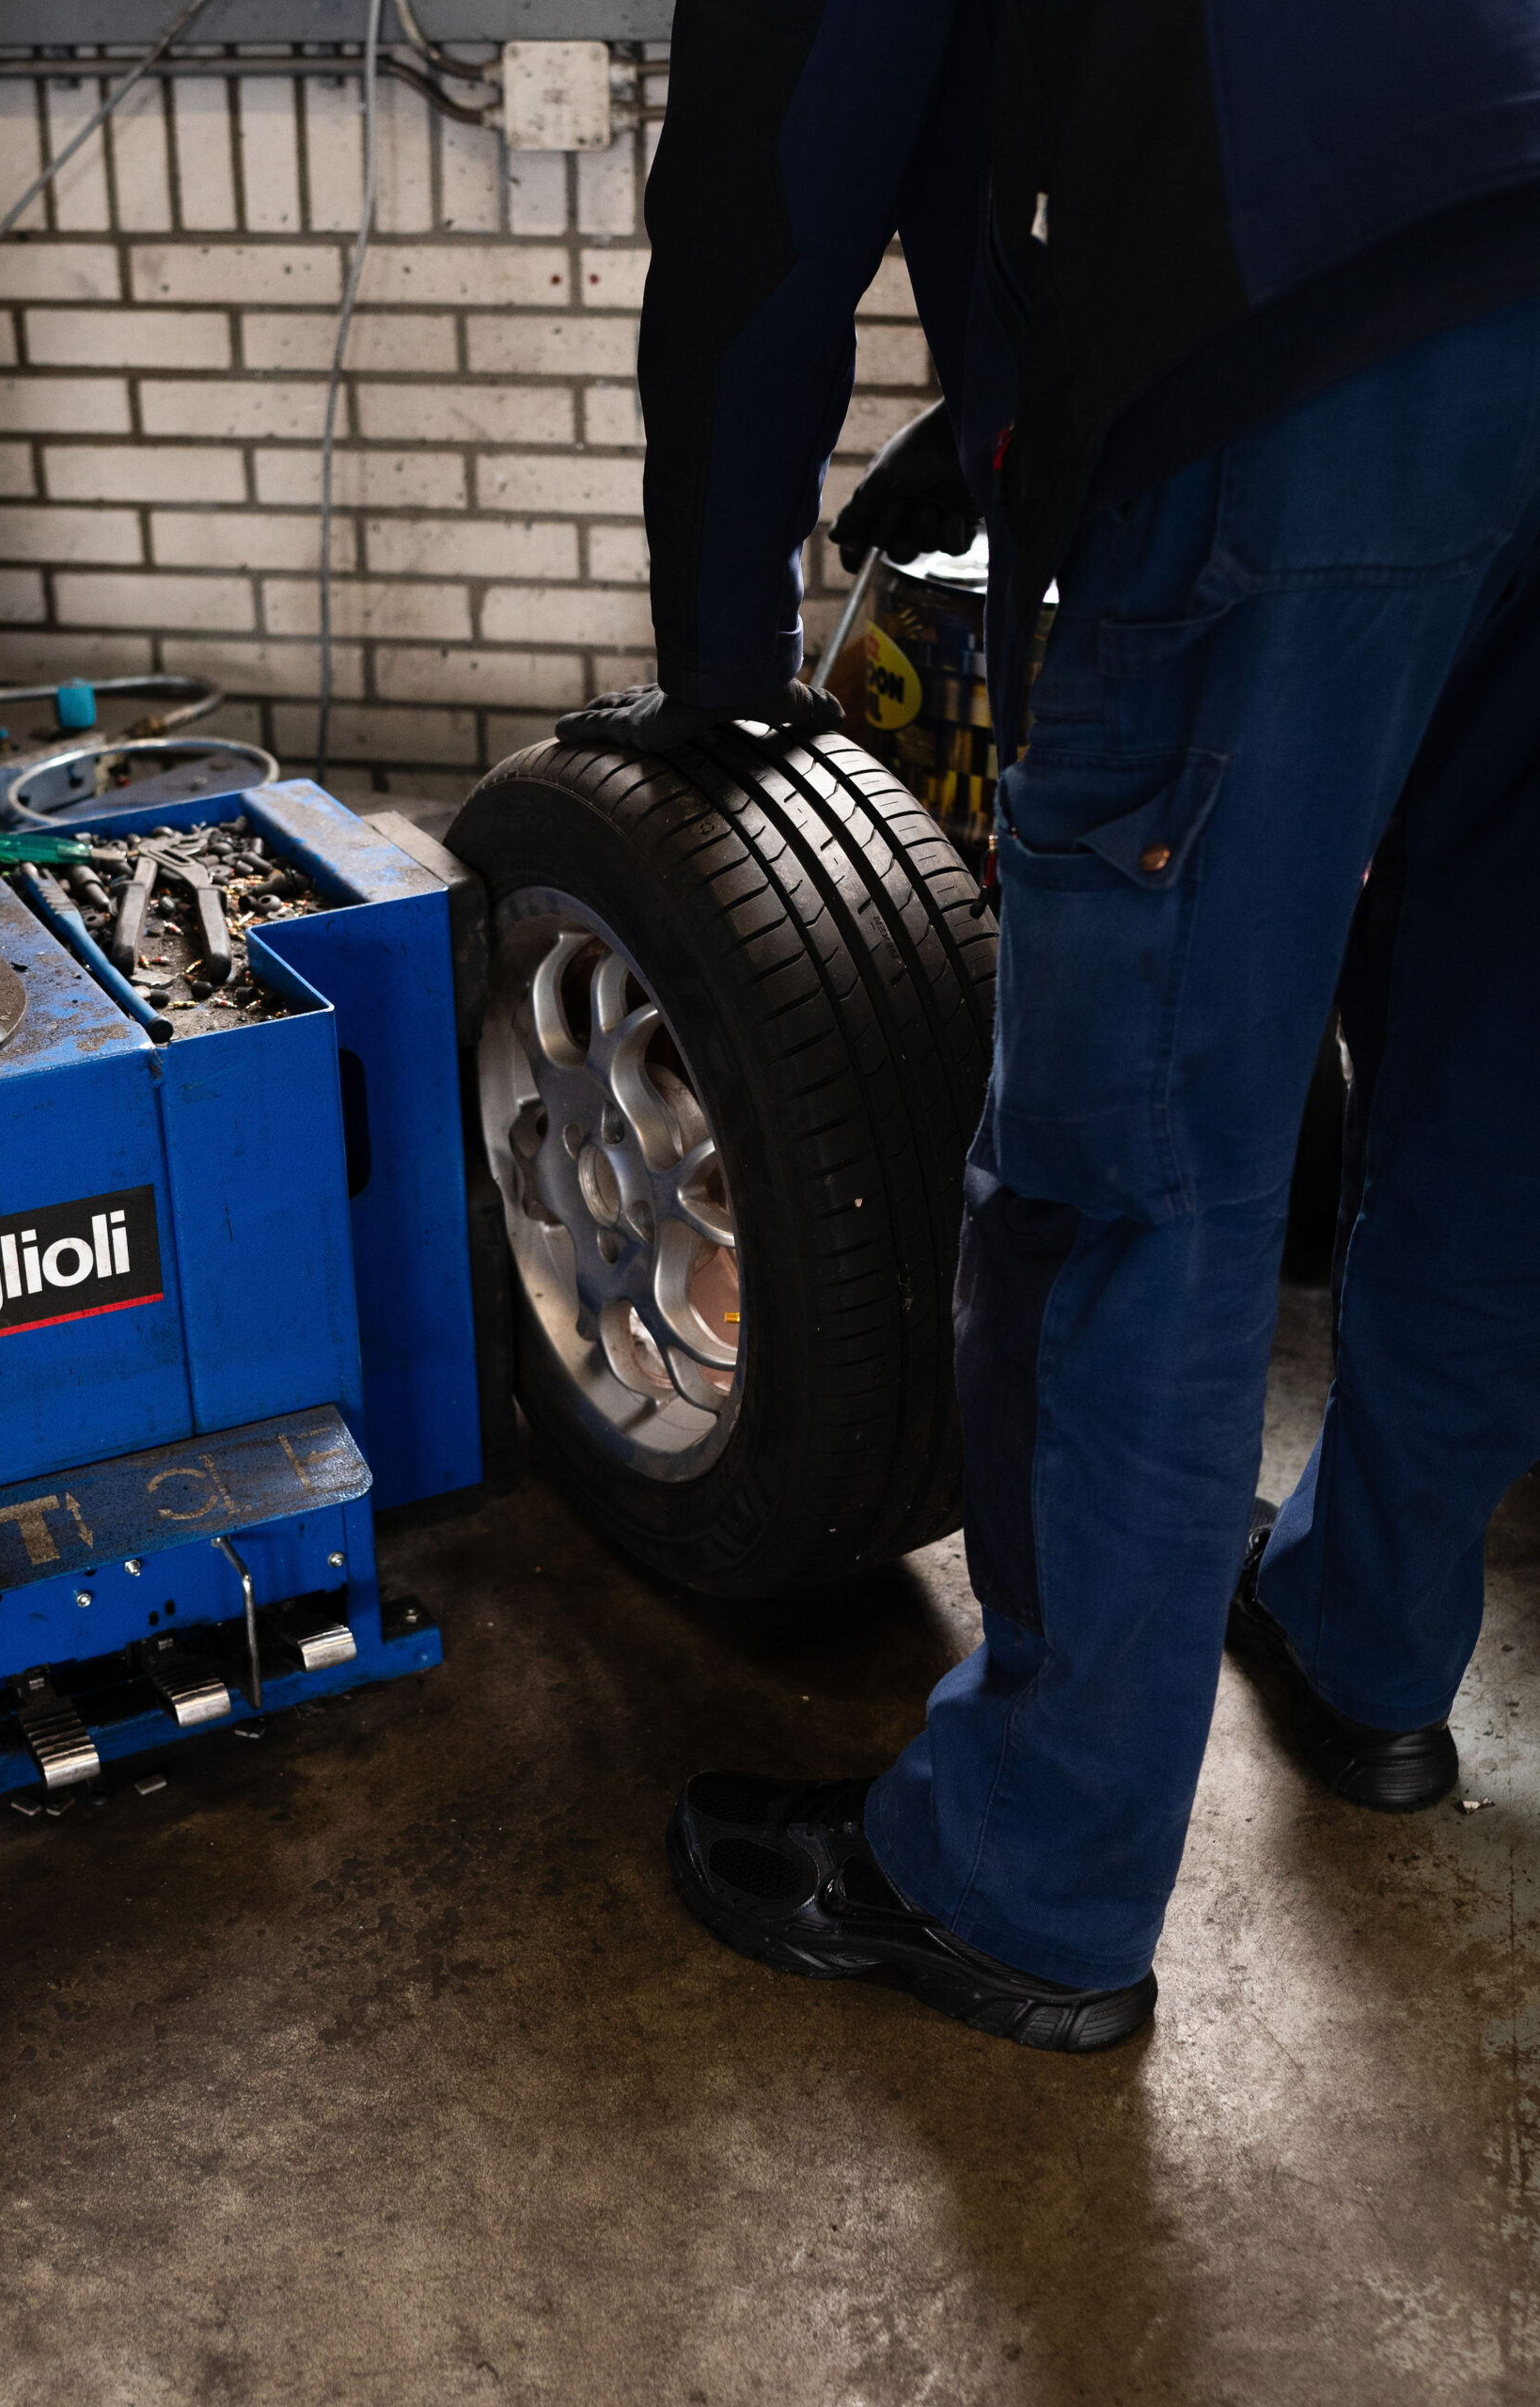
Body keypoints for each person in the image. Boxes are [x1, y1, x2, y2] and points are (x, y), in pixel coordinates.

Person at [558, 1, 1540, 2052]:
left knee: (1132, 1169)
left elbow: (764, 205)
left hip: (1282, 380)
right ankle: (1368, 1645)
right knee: (1492, 1075)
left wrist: (717, 682)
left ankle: (1027, 1874)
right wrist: (1027, 398)